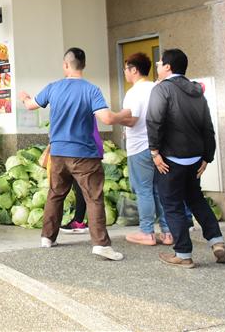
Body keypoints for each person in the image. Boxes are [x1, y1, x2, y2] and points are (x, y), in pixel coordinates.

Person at [19, 47, 125, 261]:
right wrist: (125, 115)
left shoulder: (53, 87)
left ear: (66, 65)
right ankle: (100, 245)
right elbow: (106, 119)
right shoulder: (91, 90)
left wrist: (24, 97)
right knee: (94, 198)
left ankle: (47, 238)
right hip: (84, 154)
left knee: (55, 194)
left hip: (58, 153)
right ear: (83, 65)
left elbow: (31, 106)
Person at [146, 48, 225, 267]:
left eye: (159, 63)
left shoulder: (162, 90)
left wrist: (154, 152)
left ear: (168, 67)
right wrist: (207, 157)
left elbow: (154, 121)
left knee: (172, 204)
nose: (157, 66)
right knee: (196, 199)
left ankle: (183, 254)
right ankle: (217, 242)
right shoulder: (196, 91)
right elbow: (207, 127)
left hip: (170, 160)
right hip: (194, 159)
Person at [118, 52, 172, 246]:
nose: (125, 72)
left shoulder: (134, 92)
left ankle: (147, 232)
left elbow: (133, 119)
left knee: (144, 190)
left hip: (139, 147)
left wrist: (115, 118)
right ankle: (167, 232)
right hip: (159, 147)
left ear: (134, 70)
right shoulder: (157, 87)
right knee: (159, 190)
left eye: (126, 69)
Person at [58, 118, 104, 235]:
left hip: (84, 150)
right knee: (88, 189)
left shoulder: (79, 109)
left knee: (83, 188)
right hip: (90, 148)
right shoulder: (87, 104)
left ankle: (80, 222)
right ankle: (91, 223)